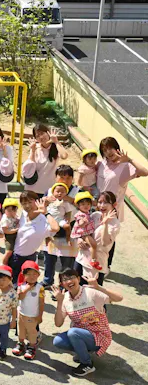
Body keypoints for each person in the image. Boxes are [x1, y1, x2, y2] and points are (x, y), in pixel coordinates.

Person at [52, 268, 123, 377]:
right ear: (62, 284)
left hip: (100, 335)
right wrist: (60, 302)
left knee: (73, 332)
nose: (69, 281)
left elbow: (119, 298)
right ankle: (83, 351)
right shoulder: (65, 298)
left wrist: (98, 287)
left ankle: (87, 364)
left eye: (72, 277)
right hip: (81, 334)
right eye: (65, 279)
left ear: (79, 279)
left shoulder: (90, 292)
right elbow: (58, 323)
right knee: (58, 341)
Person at [95, 136, 148, 269]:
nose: (108, 152)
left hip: (113, 209)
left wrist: (129, 160)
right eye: (105, 150)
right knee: (96, 233)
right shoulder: (102, 164)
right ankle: (95, 260)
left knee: (109, 237)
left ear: (116, 148)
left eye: (110, 148)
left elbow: (145, 172)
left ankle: (106, 265)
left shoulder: (125, 166)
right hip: (98, 205)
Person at [8, 192, 60, 283]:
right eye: (24, 203)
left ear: (37, 202)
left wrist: (46, 213)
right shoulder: (23, 214)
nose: (27, 205)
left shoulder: (43, 220)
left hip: (28, 258)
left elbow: (55, 228)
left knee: (26, 285)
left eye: (30, 202)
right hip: (14, 256)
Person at [75, 192, 121, 285]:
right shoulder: (95, 215)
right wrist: (79, 239)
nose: (102, 205)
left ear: (114, 204)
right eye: (100, 202)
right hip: (81, 256)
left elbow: (105, 242)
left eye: (106, 202)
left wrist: (105, 224)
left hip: (97, 263)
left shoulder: (115, 224)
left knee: (92, 292)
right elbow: (82, 229)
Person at [13, 260, 44, 360]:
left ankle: (31, 347)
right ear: (24, 275)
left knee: (32, 332)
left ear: (38, 275)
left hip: (33, 315)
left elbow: (41, 302)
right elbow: (19, 297)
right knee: (21, 330)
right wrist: (26, 289)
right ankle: (20, 343)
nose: (32, 276)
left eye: (34, 274)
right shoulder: (20, 286)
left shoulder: (40, 288)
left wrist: (40, 315)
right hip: (21, 313)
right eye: (29, 274)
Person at [24, 124, 67, 195]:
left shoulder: (56, 147)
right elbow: (30, 165)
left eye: (42, 133)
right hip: (32, 189)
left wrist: (56, 141)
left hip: (48, 190)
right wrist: (33, 150)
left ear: (48, 133)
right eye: (37, 136)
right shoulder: (35, 148)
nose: (41, 137)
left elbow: (64, 156)